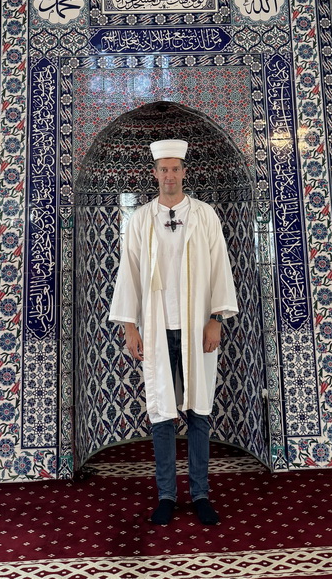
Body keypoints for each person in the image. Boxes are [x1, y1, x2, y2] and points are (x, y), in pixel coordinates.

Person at [109, 139, 238, 526]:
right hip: (156, 327)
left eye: (174, 169)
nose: (169, 175)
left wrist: (217, 317)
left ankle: (200, 493)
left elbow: (220, 266)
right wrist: (130, 327)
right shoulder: (141, 219)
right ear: (155, 173)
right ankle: (166, 494)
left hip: (198, 327)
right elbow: (128, 272)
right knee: (162, 412)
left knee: (199, 410)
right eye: (162, 169)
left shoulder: (205, 215)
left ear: (184, 171)